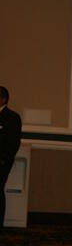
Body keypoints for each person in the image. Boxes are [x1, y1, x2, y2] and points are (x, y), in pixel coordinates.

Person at [0, 86, 22, 227]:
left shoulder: (12, 118)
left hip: (1, 163)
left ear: (3, 99)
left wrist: (3, 161)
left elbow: (13, 144)